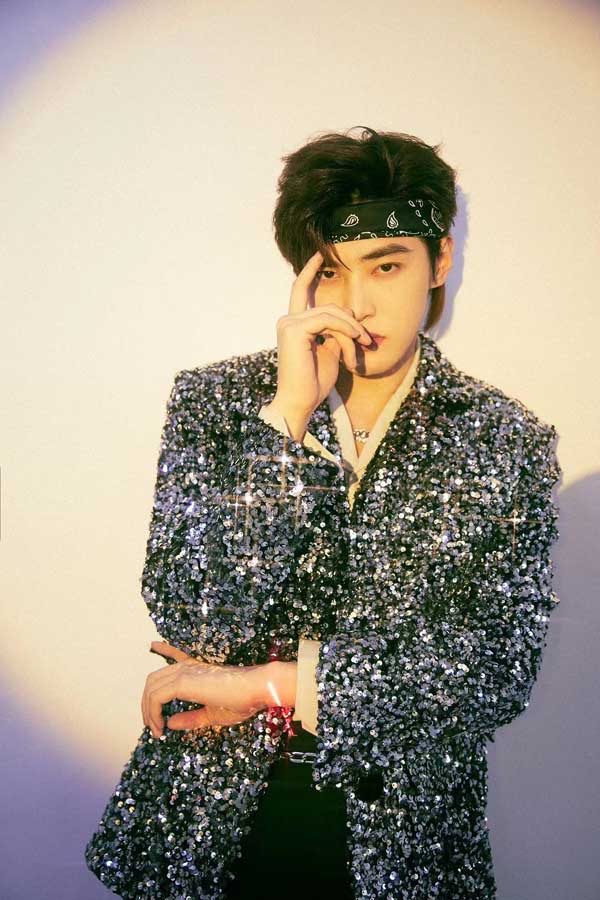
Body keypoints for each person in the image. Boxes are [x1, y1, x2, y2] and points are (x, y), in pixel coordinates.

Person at [85, 126, 562, 899]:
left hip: (406, 837)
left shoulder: (506, 440)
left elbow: (496, 670)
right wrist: (286, 422)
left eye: (387, 265)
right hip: (212, 819)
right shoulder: (218, 402)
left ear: (439, 260)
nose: (358, 304)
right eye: (332, 271)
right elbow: (195, 617)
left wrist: (269, 684)